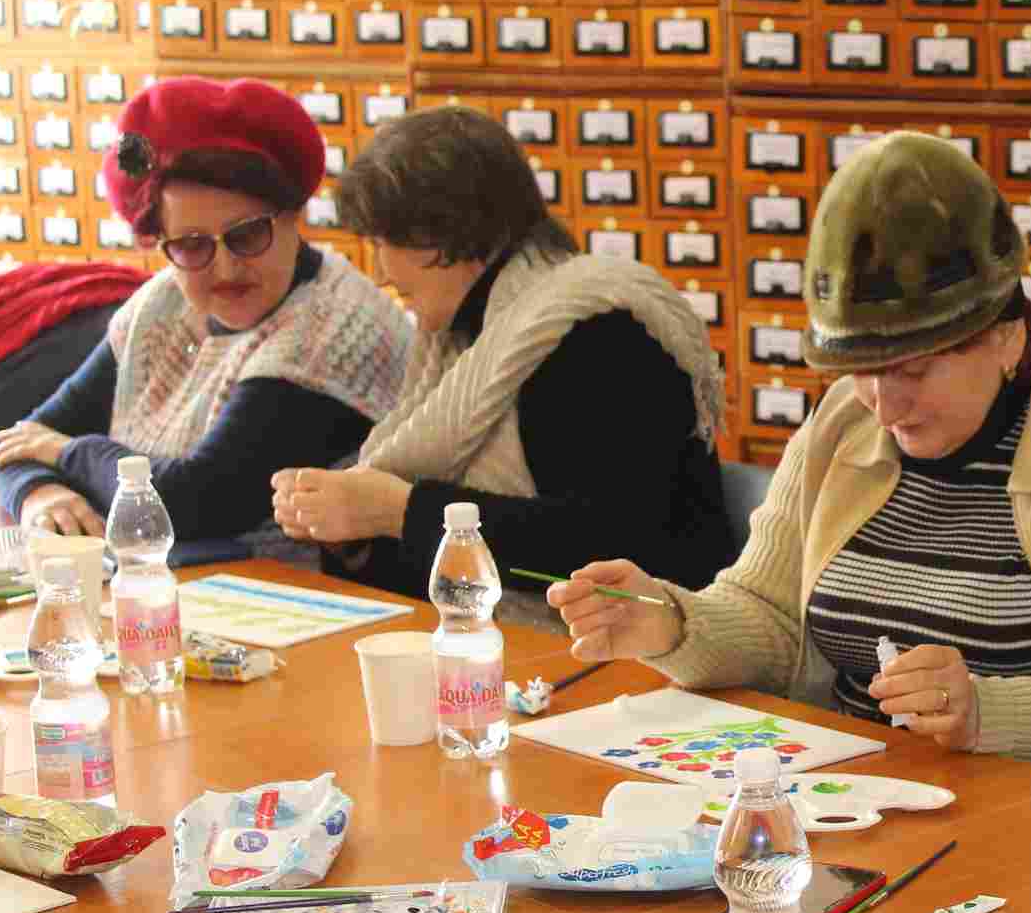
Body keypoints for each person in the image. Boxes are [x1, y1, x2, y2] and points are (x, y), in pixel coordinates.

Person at [547, 132, 1031, 794]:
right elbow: (771, 614)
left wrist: (988, 712)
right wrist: (673, 621)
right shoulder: (842, 423)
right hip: (869, 796)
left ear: (1005, 336)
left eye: (913, 370)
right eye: (862, 371)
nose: (884, 407)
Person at [270, 106, 730, 614]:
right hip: (515, 640)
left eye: (386, 242)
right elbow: (442, 577)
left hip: (643, 642)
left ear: (453, 231)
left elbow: (611, 547)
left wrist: (401, 512)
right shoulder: (467, 337)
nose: (380, 271)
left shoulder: (593, 334)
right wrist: (354, 534)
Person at [0, 78, 412, 555]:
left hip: (289, 593)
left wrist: (66, 454)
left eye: (248, 235)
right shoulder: (161, 302)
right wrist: (41, 493)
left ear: (296, 217)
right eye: (192, 245)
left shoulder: (334, 330)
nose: (226, 269)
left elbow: (189, 504)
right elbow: (18, 442)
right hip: (167, 579)